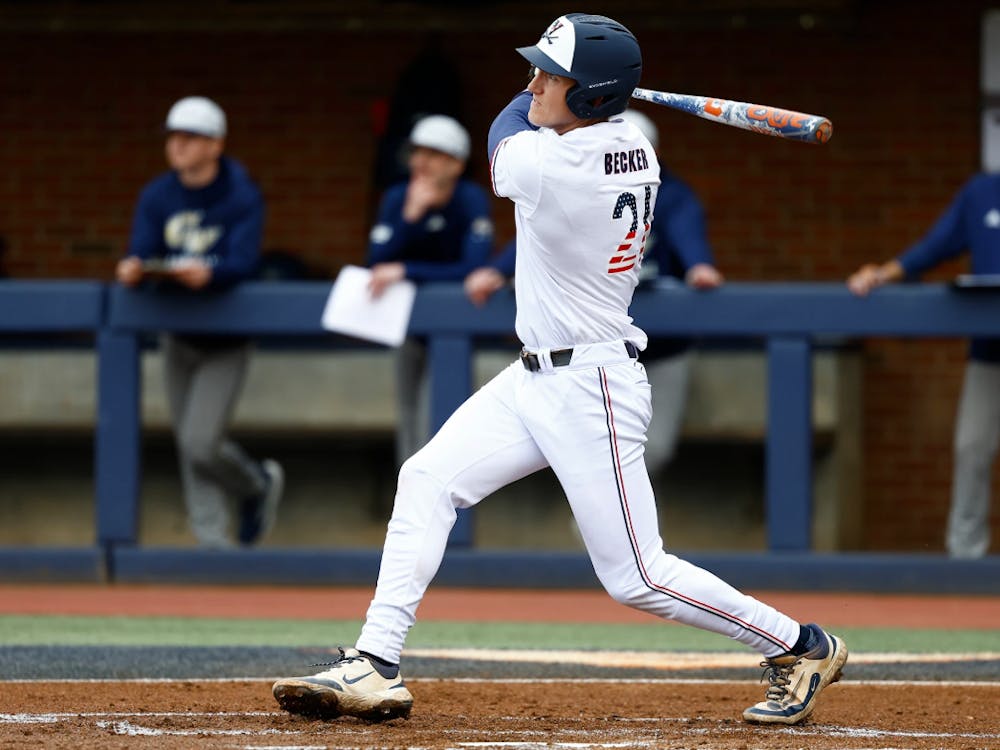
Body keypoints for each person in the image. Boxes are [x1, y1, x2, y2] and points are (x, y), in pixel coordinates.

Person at [272, 13, 846, 726]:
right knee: (427, 477)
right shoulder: (632, 143)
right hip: (535, 377)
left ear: (593, 96)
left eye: (551, 74)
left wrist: (554, 92)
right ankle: (376, 662)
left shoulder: (554, 166)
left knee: (636, 576)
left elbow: (502, 132)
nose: (535, 82)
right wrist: (573, 84)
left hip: (591, 385)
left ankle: (800, 643)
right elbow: (547, 115)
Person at [115, 96, 283, 549]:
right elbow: (144, 247)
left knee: (200, 443)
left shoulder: (240, 193)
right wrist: (137, 268)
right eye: (174, 137)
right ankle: (211, 545)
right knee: (188, 448)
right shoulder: (158, 194)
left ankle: (256, 484)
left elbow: (244, 261)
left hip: (225, 337)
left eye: (190, 138)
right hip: (178, 332)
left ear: (216, 144)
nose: (179, 146)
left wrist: (212, 273)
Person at [847, 171, 1000, 559]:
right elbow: (933, 247)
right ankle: (966, 559)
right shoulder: (983, 191)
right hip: (990, 354)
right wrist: (882, 274)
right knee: (972, 448)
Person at [367, 114, 495, 467]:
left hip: (453, 327)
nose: (420, 162)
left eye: (433, 154)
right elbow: (375, 262)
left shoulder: (470, 199)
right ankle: (408, 502)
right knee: (407, 417)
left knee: (438, 419)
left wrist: (408, 269)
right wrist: (409, 217)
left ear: (455, 163)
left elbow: (473, 268)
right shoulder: (397, 197)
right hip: (403, 324)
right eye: (416, 152)